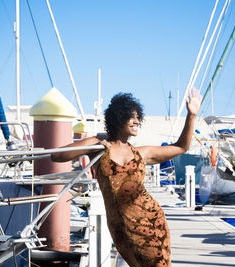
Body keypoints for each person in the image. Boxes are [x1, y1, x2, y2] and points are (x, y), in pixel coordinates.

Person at [51, 89, 202, 267]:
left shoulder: (140, 153)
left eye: (138, 117)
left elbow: (181, 147)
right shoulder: (98, 147)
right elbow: (57, 156)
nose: (137, 121)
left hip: (152, 221)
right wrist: (97, 143)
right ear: (117, 117)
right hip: (121, 227)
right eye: (131, 117)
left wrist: (191, 115)